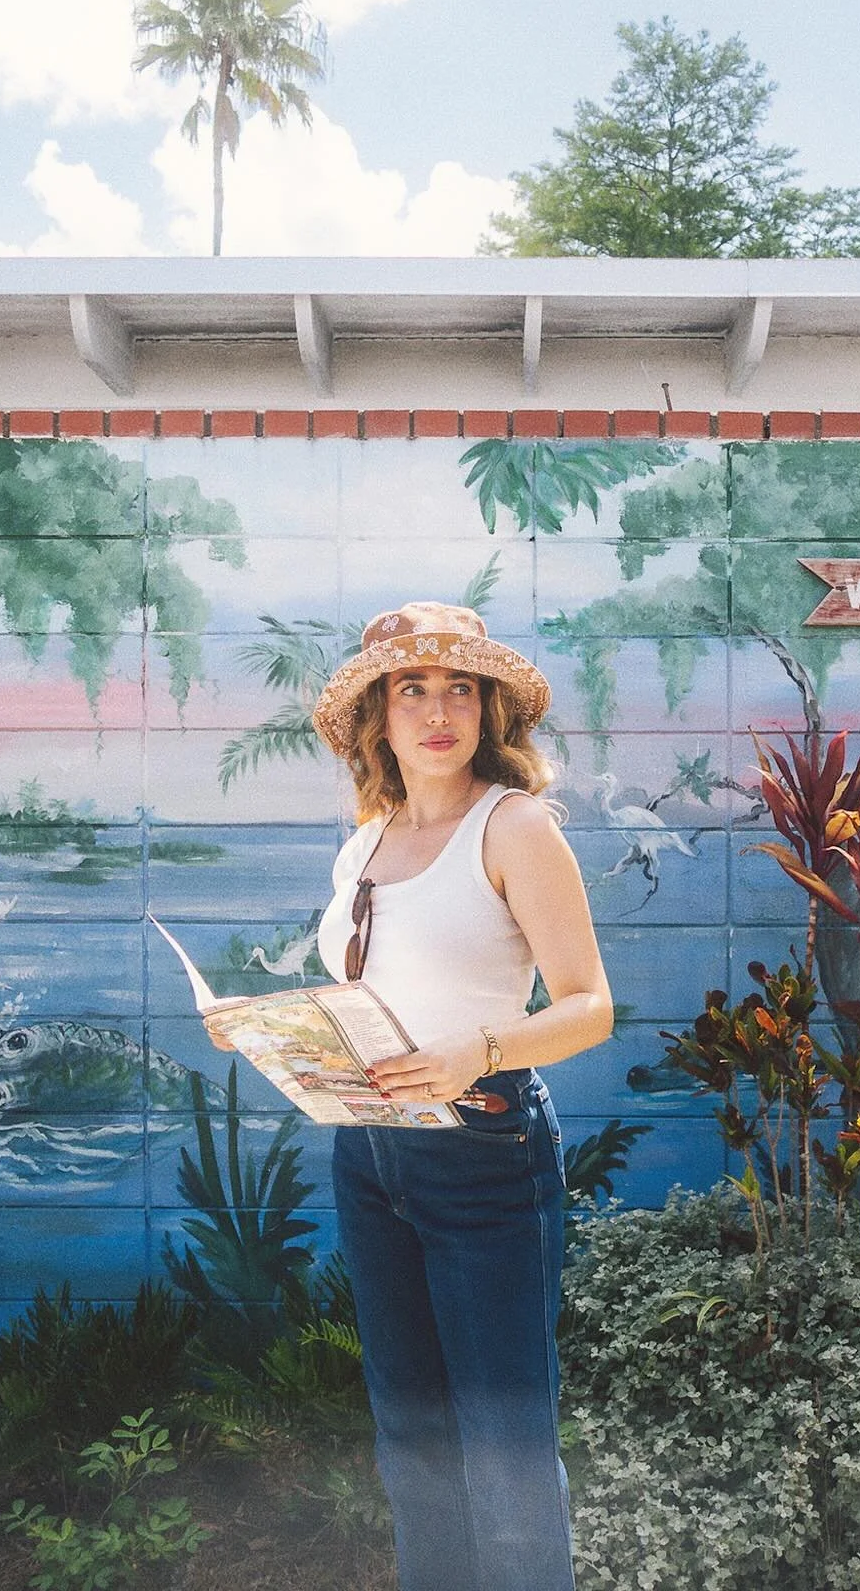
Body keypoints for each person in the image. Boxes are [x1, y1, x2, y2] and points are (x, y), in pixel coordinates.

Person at [308, 600, 614, 1591]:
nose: (436, 709)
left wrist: (476, 1047)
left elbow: (590, 1007)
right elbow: (377, 996)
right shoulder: (366, 840)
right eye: (411, 689)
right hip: (372, 1154)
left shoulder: (515, 827)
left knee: (503, 1443)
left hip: (483, 1154)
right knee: (412, 1435)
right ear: (379, 719)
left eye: (458, 689)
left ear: (488, 711)